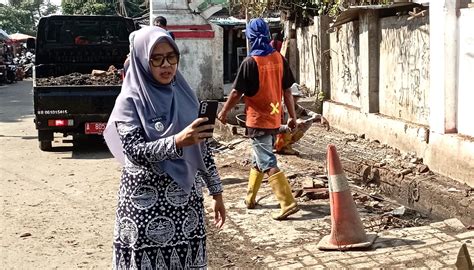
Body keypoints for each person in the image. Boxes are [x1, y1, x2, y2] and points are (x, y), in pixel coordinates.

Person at [104, 27, 226, 269]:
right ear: (141, 60)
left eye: (171, 57)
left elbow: (203, 148)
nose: (166, 65)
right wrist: (177, 141)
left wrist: (217, 192)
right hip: (144, 208)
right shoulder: (130, 100)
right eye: (156, 59)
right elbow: (135, 152)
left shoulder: (185, 95)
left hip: (186, 208)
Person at [217, 18, 299, 220]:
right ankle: (250, 198)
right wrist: (292, 116)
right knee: (258, 159)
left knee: (267, 161)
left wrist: (224, 112)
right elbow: (287, 91)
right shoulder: (279, 58)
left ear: (250, 37)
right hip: (274, 118)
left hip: (257, 121)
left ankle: (287, 202)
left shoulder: (250, 62)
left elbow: (236, 92)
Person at [275, 83, 330, 155]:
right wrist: (289, 126)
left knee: (308, 121)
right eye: (294, 97)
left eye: (297, 97)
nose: (296, 100)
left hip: (281, 135)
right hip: (272, 138)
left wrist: (320, 117)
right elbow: (272, 128)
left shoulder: (295, 107)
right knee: (295, 124)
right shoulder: (278, 107)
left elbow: (308, 113)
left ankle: (285, 146)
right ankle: (279, 146)